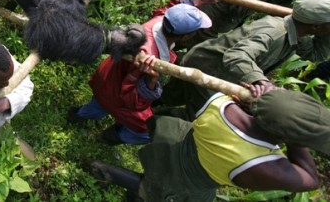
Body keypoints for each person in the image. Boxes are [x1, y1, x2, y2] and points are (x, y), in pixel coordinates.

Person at [90, 85, 328, 201]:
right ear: (287, 135)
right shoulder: (261, 165)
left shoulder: (222, 102)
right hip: (188, 181)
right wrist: (298, 140)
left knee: (152, 163)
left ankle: (105, 136)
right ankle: (105, 171)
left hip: (174, 140)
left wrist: (269, 102)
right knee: (153, 192)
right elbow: (310, 180)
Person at [69, 3, 213, 145]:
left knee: (98, 105)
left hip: (107, 74)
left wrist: (197, 2)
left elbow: (166, 9)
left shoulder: (158, 21)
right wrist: (151, 80)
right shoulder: (149, 59)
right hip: (115, 93)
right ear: (185, 37)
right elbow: (130, 99)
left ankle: (78, 115)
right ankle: (109, 137)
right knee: (148, 130)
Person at [172, 0, 330, 119]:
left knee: (174, 96)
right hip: (206, 65)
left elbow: (316, 54)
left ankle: (153, 109)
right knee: (200, 115)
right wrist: (260, 81)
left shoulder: (298, 34)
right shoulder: (275, 33)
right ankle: (153, 126)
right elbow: (237, 55)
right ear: (316, 26)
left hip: (214, 67)